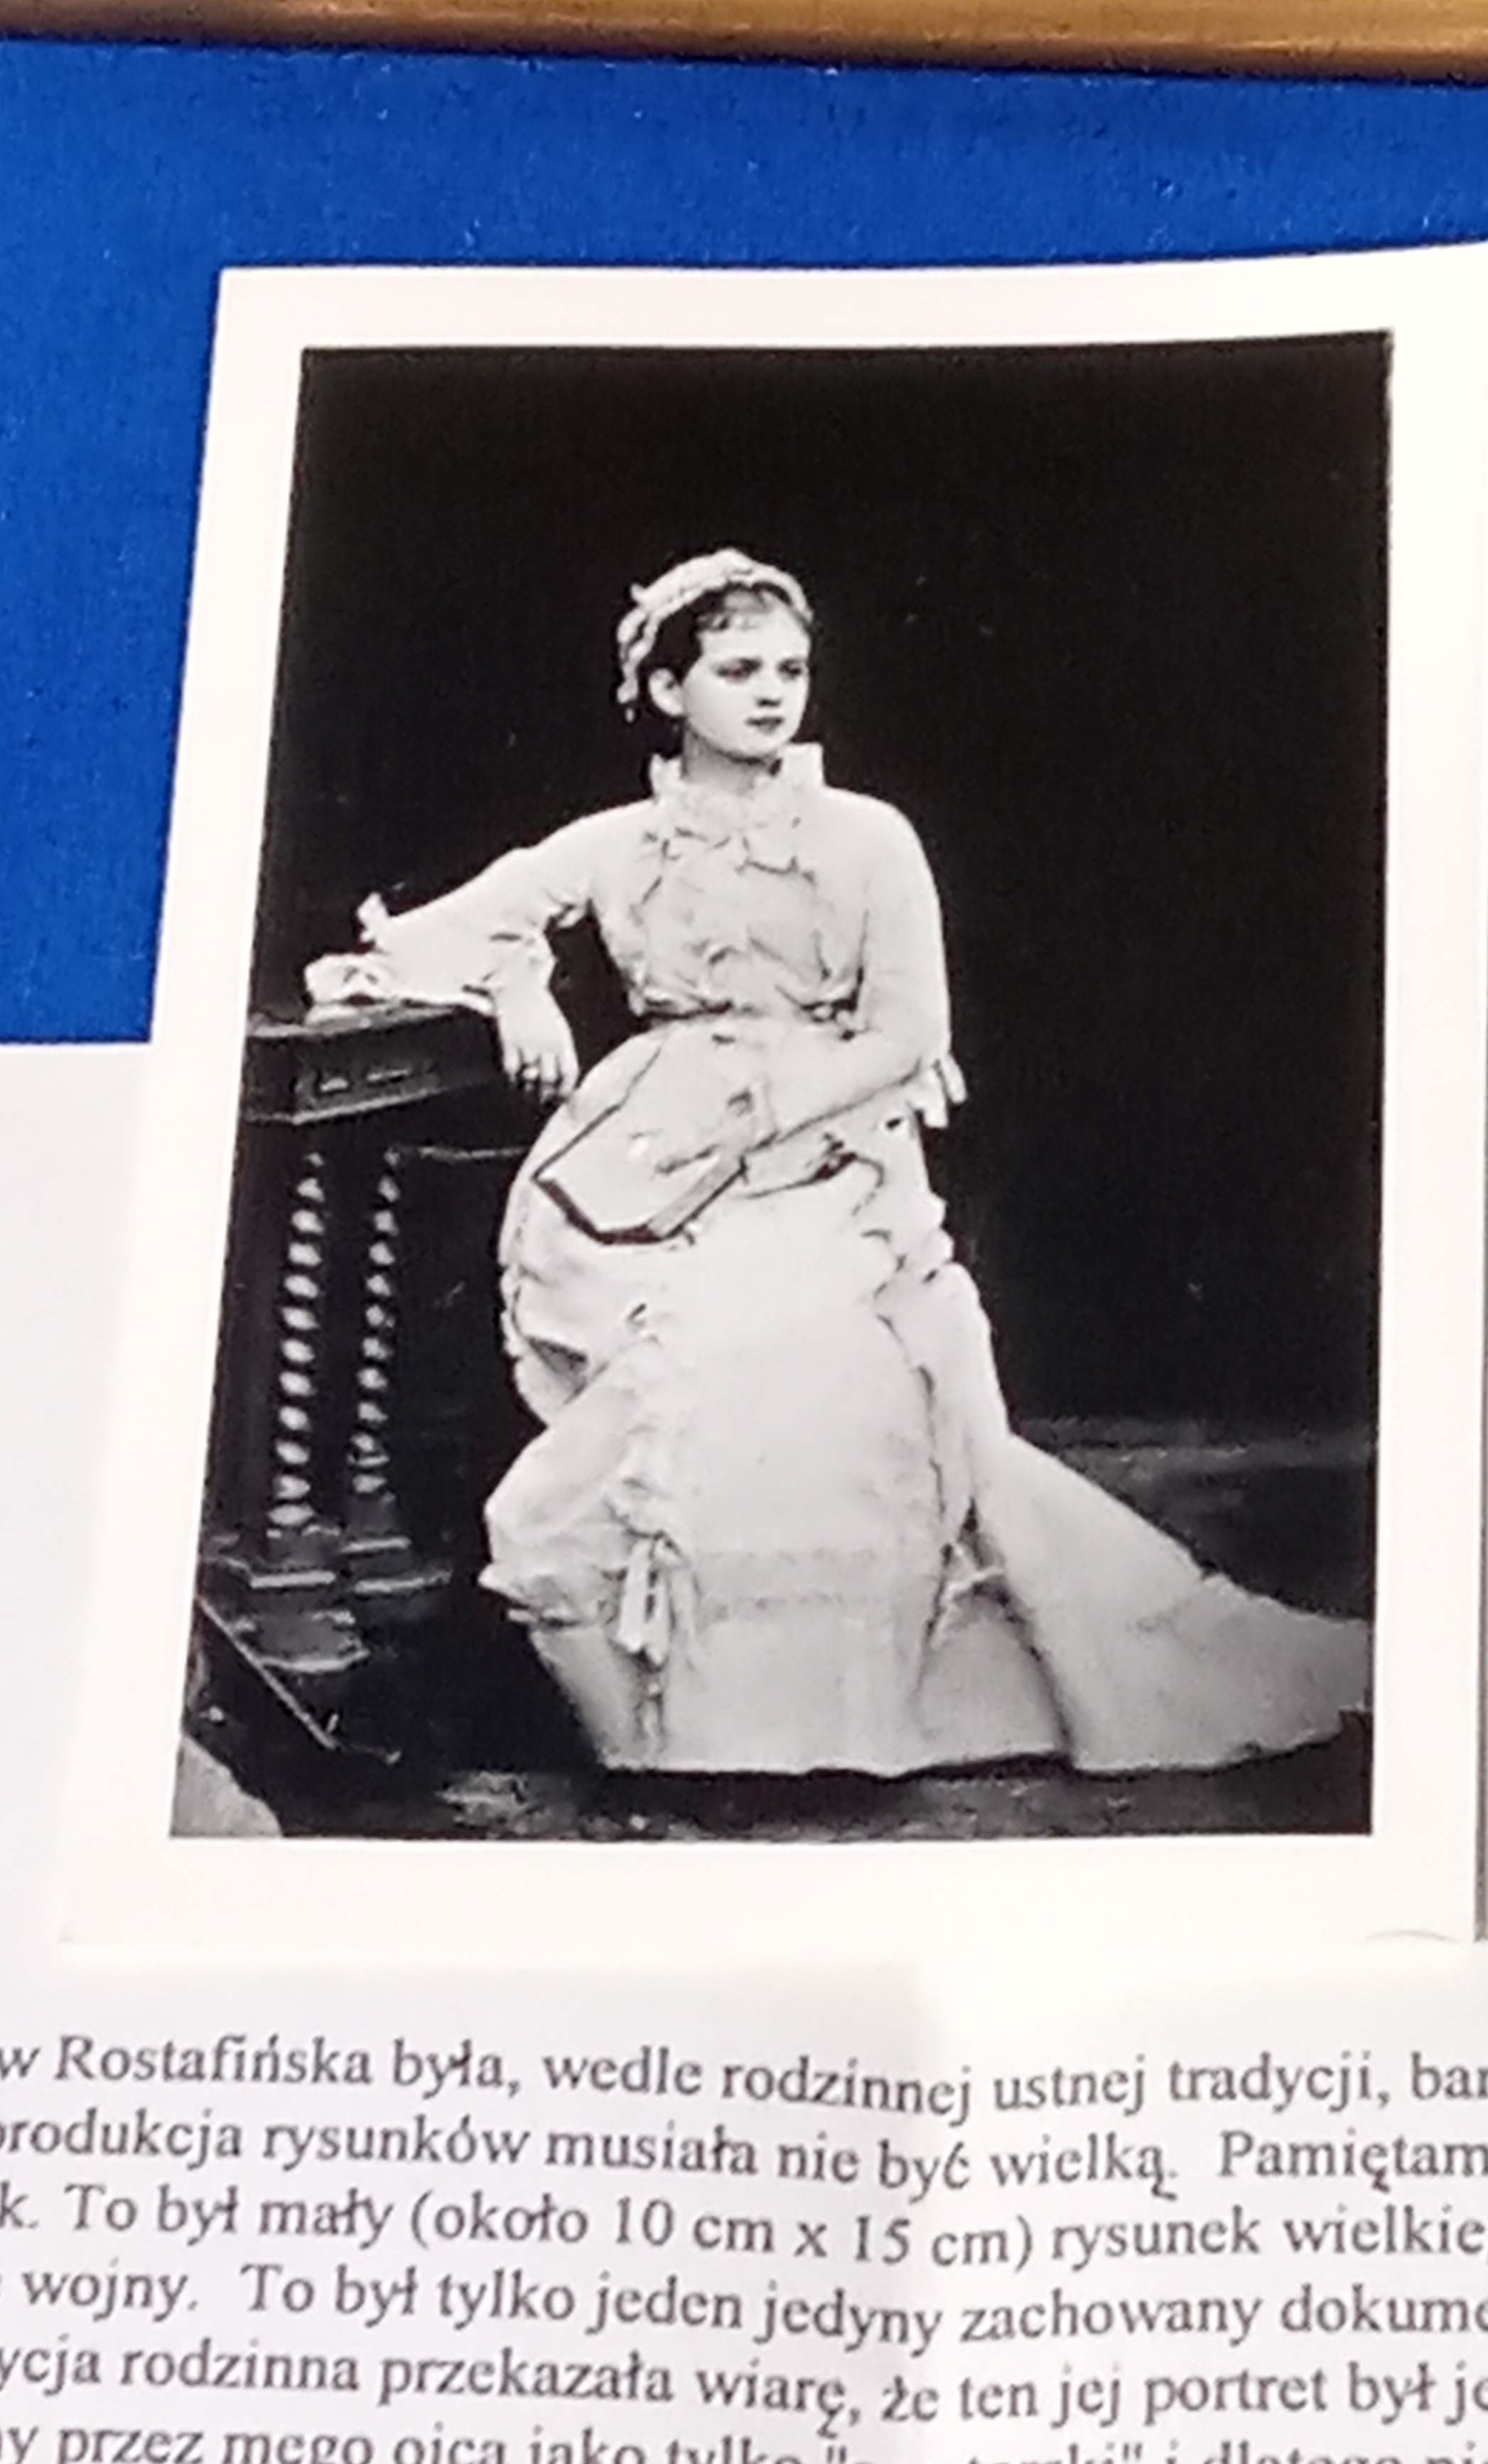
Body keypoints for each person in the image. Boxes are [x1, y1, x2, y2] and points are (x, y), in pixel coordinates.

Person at [307, 548, 1368, 1780]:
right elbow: (424, 937)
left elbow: (910, 1033)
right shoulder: (616, 843)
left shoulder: (867, 839)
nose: (772, 694)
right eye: (737, 670)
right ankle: (693, 1733)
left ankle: (826, 1728)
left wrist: (766, 1115)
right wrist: (517, 982)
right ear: (667, 691)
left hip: (829, 1156)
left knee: (807, 1381)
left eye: (791, 670)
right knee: (662, 1415)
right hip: (652, 1161)